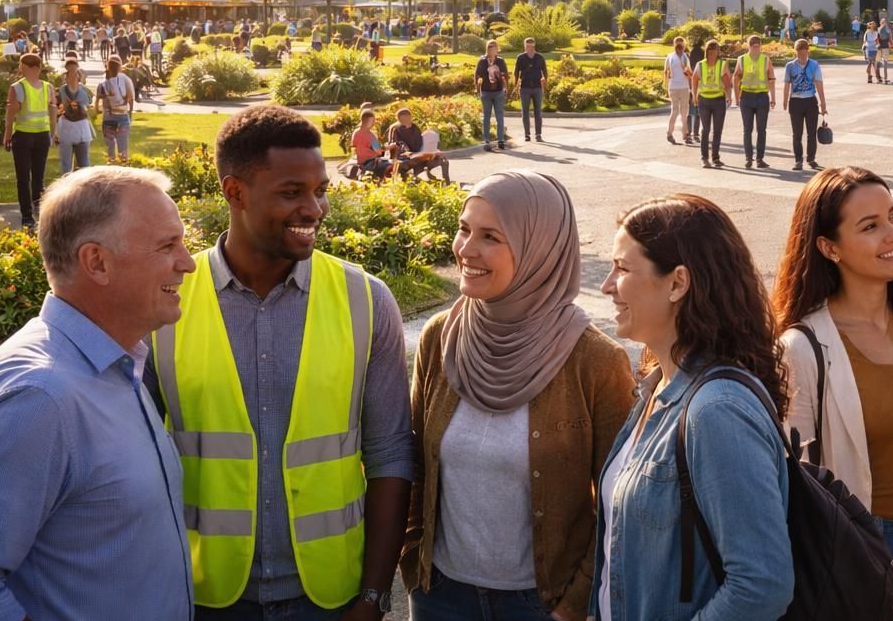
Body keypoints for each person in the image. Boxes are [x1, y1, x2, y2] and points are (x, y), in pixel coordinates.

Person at [145, 105, 416, 620]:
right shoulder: (167, 301)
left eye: (320, 190)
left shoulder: (366, 300)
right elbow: (127, 458)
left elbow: (390, 455)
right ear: (235, 192)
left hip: (331, 600)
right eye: (292, 193)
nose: (313, 209)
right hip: (202, 599)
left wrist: (374, 598)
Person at [0, 167, 195, 620]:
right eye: (168, 246)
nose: (187, 262)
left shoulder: (113, 363)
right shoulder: (38, 397)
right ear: (97, 262)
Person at [401, 171, 635, 621]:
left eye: (491, 236)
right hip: (440, 596)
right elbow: (413, 461)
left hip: (538, 604)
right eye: (464, 228)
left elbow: (618, 506)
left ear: (539, 249)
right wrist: (412, 560)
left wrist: (572, 606)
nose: (466, 249)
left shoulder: (594, 362)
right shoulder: (442, 338)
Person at [593, 195, 795, 621]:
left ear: (677, 283)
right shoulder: (657, 385)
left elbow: (762, 585)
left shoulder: (716, 412)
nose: (606, 284)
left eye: (623, 268)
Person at [773, 168, 893, 620]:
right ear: (828, 247)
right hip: (858, 548)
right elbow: (788, 479)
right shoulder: (802, 347)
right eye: (870, 226)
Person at [2, 51, 56, 230]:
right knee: (38, 178)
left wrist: (7, 135)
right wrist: (52, 134)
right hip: (42, 135)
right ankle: (39, 211)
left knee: (23, 178)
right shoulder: (48, 87)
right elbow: (53, 113)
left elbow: (11, 115)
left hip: (24, 136)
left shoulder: (17, 87)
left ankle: (27, 217)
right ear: (39, 68)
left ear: (23, 67)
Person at [782, 38, 828, 171]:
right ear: (795, 52)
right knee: (797, 134)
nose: (801, 55)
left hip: (810, 101)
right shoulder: (790, 66)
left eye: (804, 52)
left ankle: (811, 159)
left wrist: (823, 103)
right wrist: (785, 100)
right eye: (799, 52)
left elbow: (819, 83)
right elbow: (786, 84)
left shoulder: (814, 65)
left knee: (811, 133)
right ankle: (798, 160)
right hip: (795, 102)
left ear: (808, 51)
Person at [732, 35, 776, 169]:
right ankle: (748, 158)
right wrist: (737, 96)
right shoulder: (742, 60)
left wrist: (773, 98)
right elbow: (736, 78)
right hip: (746, 96)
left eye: (758, 45)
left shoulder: (765, 60)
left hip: (762, 97)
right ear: (749, 46)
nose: (756, 48)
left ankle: (760, 159)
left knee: (761, 129)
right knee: (747, 129)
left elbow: (771, 79)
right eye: (754, 46)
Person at [693, 38, 731, 169]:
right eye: (710, 49)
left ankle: (715, 157)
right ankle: (704, 157)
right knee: (706, 129)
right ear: (707, 51)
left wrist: (729, 96)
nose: (712, 52)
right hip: (704, 100)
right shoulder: (700, 65)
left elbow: (727, 81)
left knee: (717, 130)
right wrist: (694, 94)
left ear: (718, 51)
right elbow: (694, 79)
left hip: (719, 100)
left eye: (715, 50)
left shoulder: (722, 64)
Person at [387, 107, 451, 183]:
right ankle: (424, 177)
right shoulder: (396, 129)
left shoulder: (414, 127)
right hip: (405, 155)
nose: (406, 121)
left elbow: (420, 142)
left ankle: (446, 181)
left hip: (418, 152)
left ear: (410, 117)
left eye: (407, 118)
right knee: (424, 156)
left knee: (441, 156)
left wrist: (430, 148)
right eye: (402, 119)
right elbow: (396, 145)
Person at [55, 57, 95, 173]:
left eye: (75, 71)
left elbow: (88, 107)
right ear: (65, 75)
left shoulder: (85, 91)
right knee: (66, 164)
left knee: (84, 164)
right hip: (67, 127)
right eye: (69, 72)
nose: (72, 75)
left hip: (81, 127)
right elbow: (57, 107)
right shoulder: (61, 90)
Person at [95, 55, 137, 163]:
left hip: (108, 116)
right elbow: (131, 98)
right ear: (120, 67)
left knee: (110, 147)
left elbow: (100, 102)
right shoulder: (125, 79)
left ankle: (111, 166)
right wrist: (130, 113)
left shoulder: (103, 82)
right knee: (123, 148)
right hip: (122, 115)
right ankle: (123, 168)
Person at [475, 39, 509, 152]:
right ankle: (487, 140)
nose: (492, 49)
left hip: (498, 92)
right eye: (490, 47)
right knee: (487, 117)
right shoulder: (482, 61)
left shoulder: (500, 61)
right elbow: (477, 75)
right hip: (486, 92)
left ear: (497, 49)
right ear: (487, 49)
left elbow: (505, 76)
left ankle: (500, 140)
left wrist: (505, 87)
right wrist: (477, 88)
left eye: (494, 47)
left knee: (499, 116)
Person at [514, 36, 548, 143]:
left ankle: (538, 135)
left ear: (534, 46)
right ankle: (527, 134)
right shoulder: (520, 58)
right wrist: (516, 84)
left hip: (537, 87)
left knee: (538, 112)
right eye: (527, 46)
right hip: (525, 87)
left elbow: (545, 71)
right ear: (525, 46)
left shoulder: (539, 57)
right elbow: (516, 72)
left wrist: (545, 79)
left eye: (531, 46)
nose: (529, 48)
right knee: (525, 111)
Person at [351, 107, 396, 180]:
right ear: (370, 121)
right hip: (371, 163)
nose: (374, 123)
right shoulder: (371, 136)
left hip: (360, 161)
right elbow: (379, 151)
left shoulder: (356, 132)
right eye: (373, 121)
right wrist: (390, 147)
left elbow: (355, 146)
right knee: (394, 165)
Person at [664, 36, 694, 145]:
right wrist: (667, 87)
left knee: (684, 112)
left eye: (681, 44)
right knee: (676, 111)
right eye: (678, 43)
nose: (680, 46)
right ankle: (670, 133)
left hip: (684, 87)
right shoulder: (670, 57)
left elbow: (690, 74)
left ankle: (684, 134)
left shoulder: (685, 57)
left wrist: (685, 69)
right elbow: (666, 73)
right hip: (675, 87)